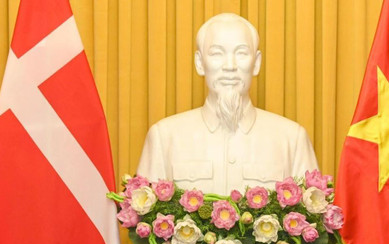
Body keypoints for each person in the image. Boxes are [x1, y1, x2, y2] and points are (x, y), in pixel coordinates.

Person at [136, 13, 318, 195]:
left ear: (256, 63)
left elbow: (312, 210)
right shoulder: (164, 137)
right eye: (217, 54)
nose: (230, 66)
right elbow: (143, 208)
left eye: (241, 53)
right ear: (199, 63)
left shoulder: (292, 139)